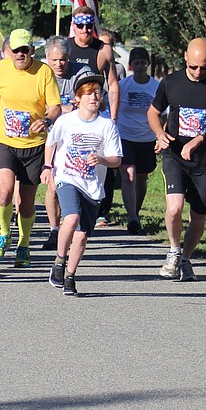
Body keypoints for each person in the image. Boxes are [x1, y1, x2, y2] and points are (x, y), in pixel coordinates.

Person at [147, 37, 206, 282]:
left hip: (204, 162)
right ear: (186, 57)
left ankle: (186, 258)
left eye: (204, 67)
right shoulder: (171, 82)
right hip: (174, 155)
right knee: (174, 208)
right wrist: (159, 133)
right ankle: (173, 252)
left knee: (198, 215)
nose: (198, 72)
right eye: (193, 66)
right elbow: (153, 112)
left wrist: (201, 138)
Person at [0, 28, 62, 268]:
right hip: (6, 141)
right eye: (15, 50)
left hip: (34, 145)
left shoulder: (44, 72)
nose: (19, 54)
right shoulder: (0, 68)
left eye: (24, 50)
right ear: (8, 51)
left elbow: (56, 106)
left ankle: (24, 244)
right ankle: (4, 234)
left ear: (32, 51)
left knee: (25, 202)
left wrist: (46, 120)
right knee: (4, 192)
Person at [42, 73, 123, 296]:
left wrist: (101, 159)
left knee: (82, 236)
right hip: (67, 177)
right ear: (78, 98)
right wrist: (48, 167)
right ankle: (59, 261)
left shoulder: (107, 125)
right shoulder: (65, 121)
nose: (93, 97)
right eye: (88, 93)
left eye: (97, 93)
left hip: (93, 186)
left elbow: (116, 159)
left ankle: (70, 276)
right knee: (71, 217)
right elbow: (52, 143)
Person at [41, 34, 83, 249]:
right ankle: (54, 229)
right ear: (47, 57)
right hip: (48, 137)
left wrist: (59, 110)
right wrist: (64, 109)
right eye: (54, 60)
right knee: (53, 186)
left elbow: (88, 102)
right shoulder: (40, 73)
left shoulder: (80, 73)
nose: (59, 64)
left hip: (73, 138)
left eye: (63, 59)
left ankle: (72, 226)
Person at [115, 47, 159, 234]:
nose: (139, 66)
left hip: (147, 138)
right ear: (130, 65)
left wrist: (160, 136)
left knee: (141, 178)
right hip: (125, 136)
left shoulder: (156, 86)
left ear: (147, 65)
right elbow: (114, 109)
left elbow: (161, 114)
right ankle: (132, 216)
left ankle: (136, 212)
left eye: (143, 63)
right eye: (136, 63)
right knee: (129, 175)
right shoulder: (123, 85)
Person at [66, 6, 119, 121]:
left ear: (94, 26)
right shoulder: (65, 47)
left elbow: (113, 84)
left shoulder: (104, 50)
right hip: (69, 111)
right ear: (73, 26)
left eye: (89, 26)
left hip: (94, 112)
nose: (85, 29)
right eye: (80, 26)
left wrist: (113, 117)